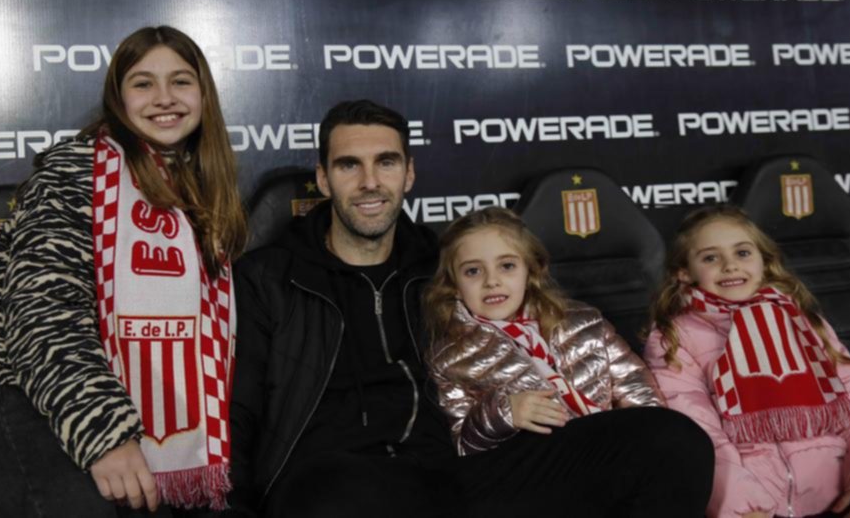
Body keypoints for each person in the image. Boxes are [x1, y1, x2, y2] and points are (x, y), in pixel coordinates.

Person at [229, 98, 715, 518]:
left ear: (410, 172)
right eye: (348, 165)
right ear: (323, 177)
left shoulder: (443, 264)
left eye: (387, 162)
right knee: (337, 500)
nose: (370, 181)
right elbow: (240, 411)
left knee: (672, 440)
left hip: (456, 472)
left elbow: (534, 319)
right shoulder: (269, 278)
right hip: (332, 481)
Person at [0, 25, 248, 517]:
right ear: (118, 97)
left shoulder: (204, 192)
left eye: (180, 81)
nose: (163, 98)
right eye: (142, 83)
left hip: (124, 407)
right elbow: (41, 313)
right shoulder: (75, 170)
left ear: (203, 94)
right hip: (25, 396)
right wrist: (105, 436)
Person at [645, 204, 850, 518]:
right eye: (710, 257)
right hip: (756, 508)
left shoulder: (805, 323)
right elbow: (699, 432)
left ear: (764, 260)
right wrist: (741, 506)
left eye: (742, 253)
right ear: (684, 272)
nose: (730, 266)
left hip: (842, 500)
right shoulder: (674, 337)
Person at [424, 206, 664, 456]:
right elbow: (464, 448)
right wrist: (503, 415)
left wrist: (642, 446)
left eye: (507, 266)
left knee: (677, 434)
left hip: (612, 456)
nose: (491, 281)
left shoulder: (586, 321)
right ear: (453, 286)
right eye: (473, 271)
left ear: (530, 271)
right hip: (537, 475)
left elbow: (641, 395)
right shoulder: (448, 361)